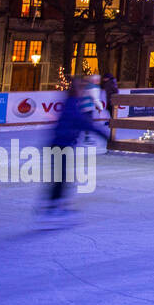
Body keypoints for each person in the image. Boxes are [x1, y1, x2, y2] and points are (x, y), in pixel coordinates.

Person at [39, 76, 109, 227]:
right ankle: (51, 211)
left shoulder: (71, 102)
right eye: (81, 88)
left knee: (62, 177)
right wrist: (102, 134)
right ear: (76, 90)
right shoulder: (72, 105)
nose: (83, 90)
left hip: (61, 144)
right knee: (60, 178)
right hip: (60, 145)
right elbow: (81, 122)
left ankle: (55, 207)